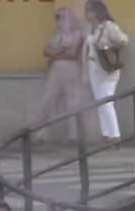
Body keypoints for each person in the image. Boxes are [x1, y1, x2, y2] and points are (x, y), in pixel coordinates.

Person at [40, 5, 87, 143]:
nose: (59, 20)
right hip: (55, 71)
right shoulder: (56, 34)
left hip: (71, 70)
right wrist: (60, 52)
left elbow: (73, 53)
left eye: (62, 17)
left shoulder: (78, 34)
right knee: (48, 101)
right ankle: (42, 133)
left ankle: (74, 136)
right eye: (58, 17)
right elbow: (45, 51)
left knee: (73, 103)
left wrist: (55, 54)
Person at [83, 0, 127, 141]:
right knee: (100, 102)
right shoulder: (90, 28)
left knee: (106, 101)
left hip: (106, 67)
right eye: (86, 10)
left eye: (90, 10)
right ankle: (106, 134)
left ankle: (115, 135)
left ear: (97, 12)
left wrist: (107, 45)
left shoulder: (108, 26)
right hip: (93, 66)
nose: (87, 14)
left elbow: (123, 40)